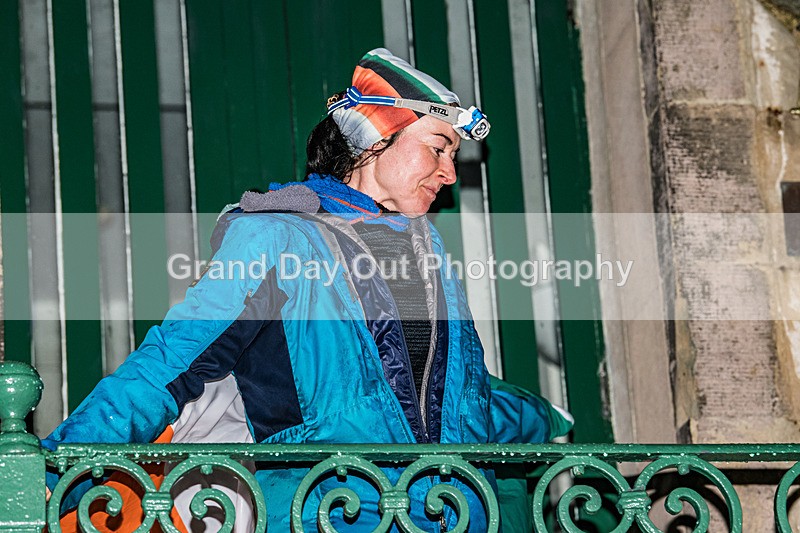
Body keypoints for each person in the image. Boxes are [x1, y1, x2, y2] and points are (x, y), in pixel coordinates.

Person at [43, 48, 572, 532]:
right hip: (331, 512)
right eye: (438, 149)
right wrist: (52, 470)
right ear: (375, 139)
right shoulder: (277, 236)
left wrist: (547, 419)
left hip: (456, 518)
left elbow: (463, 394)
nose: (449, 174)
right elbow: (169, 362)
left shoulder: (426, 252)